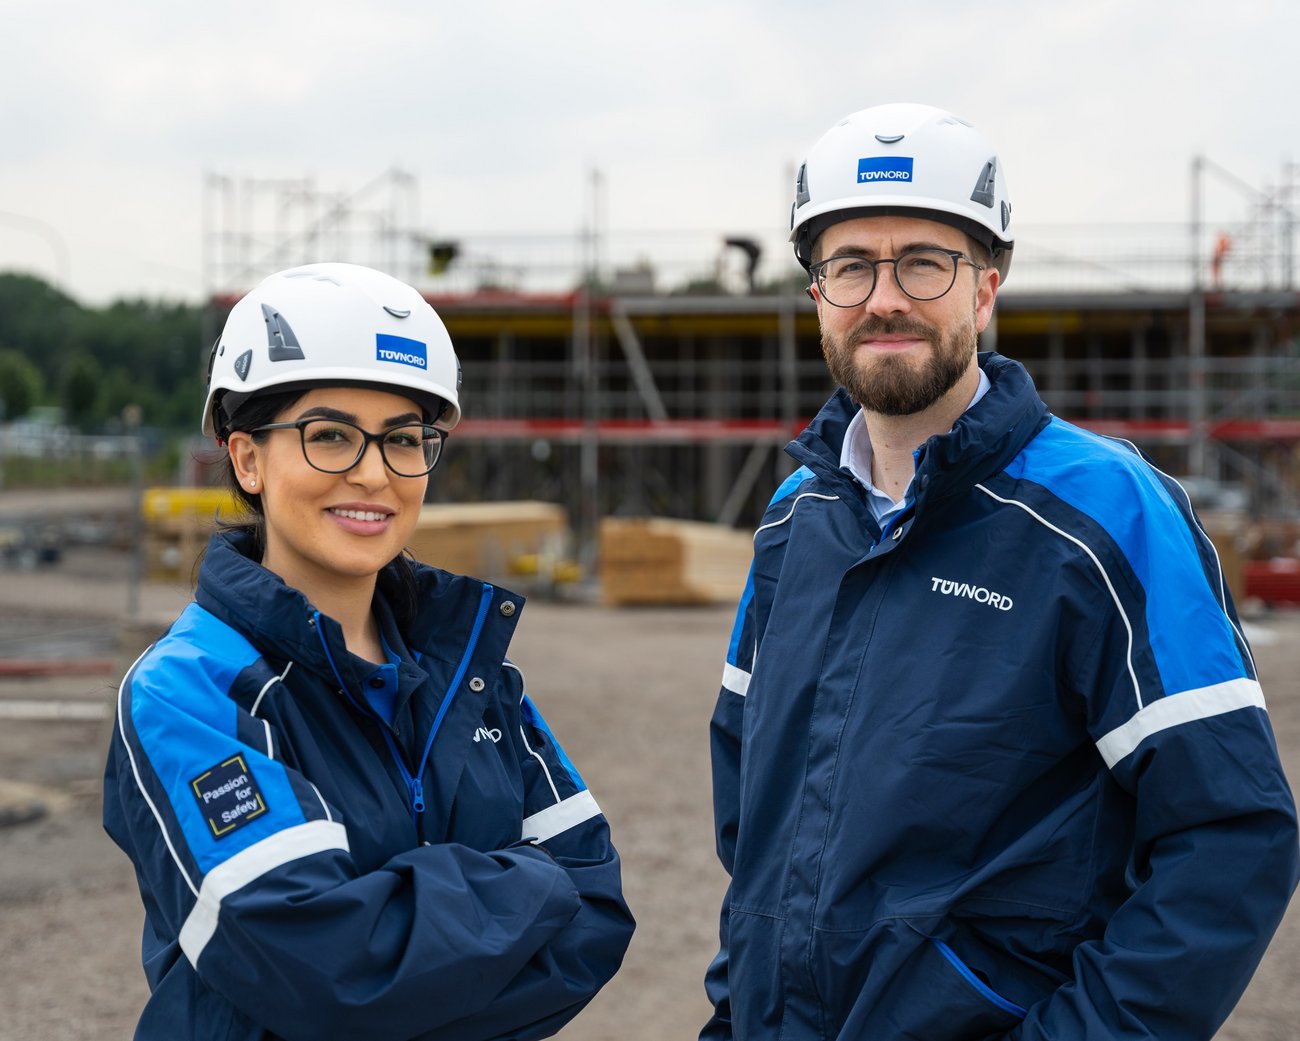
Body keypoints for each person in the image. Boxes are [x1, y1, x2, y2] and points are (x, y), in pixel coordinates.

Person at [702, 103, 1299, 1041]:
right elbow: (755, 820)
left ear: (985, 289)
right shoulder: (793, 522)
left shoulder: (1108, 514)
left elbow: (1229, 835)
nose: (883, 297)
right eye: (850, 264)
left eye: (923, 262)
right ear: (817, 292)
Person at [103, 262, 634, 1041]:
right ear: (247, 458)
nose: (374, 472)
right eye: (329, 436)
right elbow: (320, 974)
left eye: (405, 439)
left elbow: (594, 909)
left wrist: (394, 932)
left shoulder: (472, 676)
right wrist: (520, 888)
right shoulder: (189, 694)